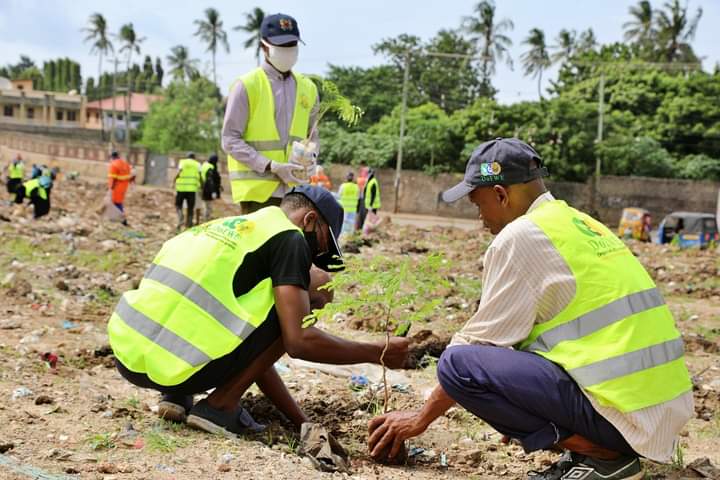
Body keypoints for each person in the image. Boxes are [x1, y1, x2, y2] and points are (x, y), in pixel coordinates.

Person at [368, 138, 693, 480]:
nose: (480, 219)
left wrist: (419, 419)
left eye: (479, 205)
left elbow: (477, 346)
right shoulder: (583, 223)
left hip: (623, 420)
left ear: (501, 195)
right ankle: (597, 451)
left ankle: (603, 458)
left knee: (457, 365)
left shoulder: (521, 236)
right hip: (658, 415)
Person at [108, 185, 409, 436]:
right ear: (309, 219)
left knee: (273, 306)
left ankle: (176, 396)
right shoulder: (290, 238)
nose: (316, 255)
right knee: (319, 287)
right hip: (178, 364)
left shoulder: (223, 227)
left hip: (130, 356)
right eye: (320, 246)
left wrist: (301, 420)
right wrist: (377, 352)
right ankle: (218, 408)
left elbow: (254, 344)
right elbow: (298, 341)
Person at [222, 13, 320, 215]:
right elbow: (230, 140)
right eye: (281, 47)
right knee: (262, 247)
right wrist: (271, 166)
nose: (288, 51)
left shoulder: (308, 88)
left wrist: (312, 160)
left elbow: (313, 135)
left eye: (292, 45)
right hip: (259, 194)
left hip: (296, 192)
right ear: (264, 47)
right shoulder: (246, 86)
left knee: (293, 247)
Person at [174, 152, 201, 229]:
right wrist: (201, 186)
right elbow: (200, 177)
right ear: (194, 157)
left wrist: (174, 181)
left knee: (178, 205)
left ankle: (181, 217)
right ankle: (189, 223)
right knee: (190, 207)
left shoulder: (182, 162)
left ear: (187, 157)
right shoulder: (197, 164)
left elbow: (178, 173)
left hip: (181, 188)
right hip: (192, 189)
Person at [108, 151, 134, 226]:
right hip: (124, 187)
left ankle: (123, 220)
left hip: (116, 187)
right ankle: (115, 218)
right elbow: (130, 176)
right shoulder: (125, 164)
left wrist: (110, 189)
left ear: (112, 158)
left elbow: (112, 179)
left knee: (116, 203)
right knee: (118, 202)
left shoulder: (113, 165)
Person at [200, 154, 223, 222]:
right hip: (208, 189)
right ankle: (206, 220)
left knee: (206, 205)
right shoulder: (210, 167)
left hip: (204, 188)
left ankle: (206, 218)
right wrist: (213, 191)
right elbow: (210, 181)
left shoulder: (204, 165)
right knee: (208, 206)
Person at [337, 171, 359, 239]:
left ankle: (343, 237)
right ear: (353, 178)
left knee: (344, 223)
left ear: (346, 178)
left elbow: (339, 196)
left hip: (344, 208)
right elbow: (358, 197)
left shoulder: (343, 186)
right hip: (353, 209)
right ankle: (349, 238)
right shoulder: (356, 187)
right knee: (351, 224)